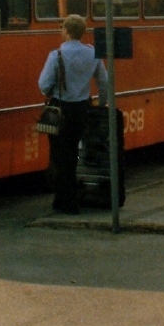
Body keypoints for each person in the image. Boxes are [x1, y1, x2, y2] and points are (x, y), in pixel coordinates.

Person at [37, 14, 108, 214]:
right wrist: (101, 104)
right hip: (81, 109)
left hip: (60, 109)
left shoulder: (56, 55)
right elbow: (103, 82)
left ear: (67, 31)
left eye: (63, 29)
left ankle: (66, 200)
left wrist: (53, 89)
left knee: (60, 156)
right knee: (72, 153)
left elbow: (43, 84)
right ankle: (63, 198)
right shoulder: (92, 53)